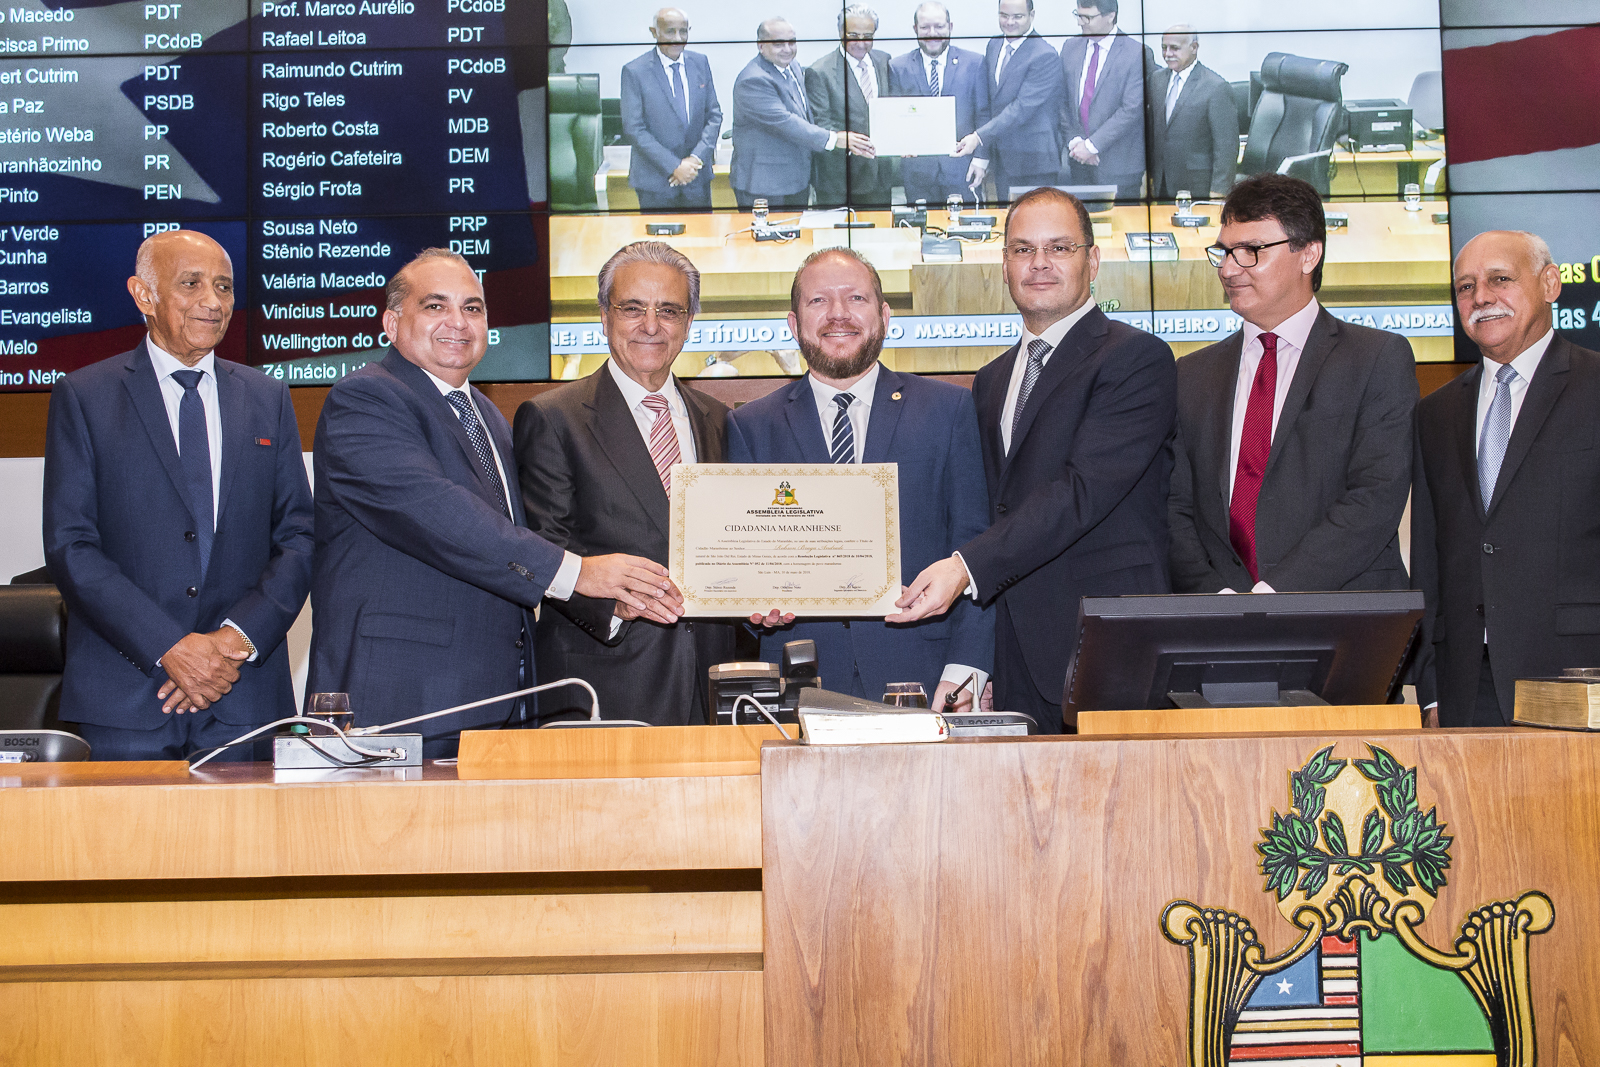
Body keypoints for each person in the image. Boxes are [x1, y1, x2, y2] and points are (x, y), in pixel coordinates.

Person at [308, 249, 679, 753]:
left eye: (473, 308)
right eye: (435, 306)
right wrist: (579, 573)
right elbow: (436, 513)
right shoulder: (366, 399)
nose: (458, 322)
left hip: (498, 698)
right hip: (403, 698)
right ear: (392, 323)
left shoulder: (485, 414)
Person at [893, 188, 1175, 731]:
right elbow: (989, 512)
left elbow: (1080, 493)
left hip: (1104, 650)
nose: (1039, 263)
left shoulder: (1136, 359)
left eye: (1059, 248)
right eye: (1023, 250)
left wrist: (963, 568)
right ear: (1004, 266)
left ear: (1092, 261)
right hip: (1015, 656)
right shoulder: (993, 379)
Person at [41, 230, 313, 760]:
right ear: (144, 295)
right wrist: (169, 647)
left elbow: (299, 537)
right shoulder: (85, 397)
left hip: (243, 697)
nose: (213, 302)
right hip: (125, 701)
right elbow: (71, 545)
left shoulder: (267, 398)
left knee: (248, 847)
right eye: (192, 284)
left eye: (225, 287)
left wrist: (232, 643)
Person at [727, 247, 993, 709]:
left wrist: (966, 671)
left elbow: (975, 549)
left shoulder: (947, 411)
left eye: (856, 299)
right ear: (793, 324)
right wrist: (752, 607)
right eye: (818, 302)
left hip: (926, 683)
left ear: (884, 316)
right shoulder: (751, 425)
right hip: (797, 686)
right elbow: (742, 564)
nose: (838, 315)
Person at [514, 243, 735, 725]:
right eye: (633, 308)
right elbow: (543, 550)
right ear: (604, 315)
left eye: (669, 310)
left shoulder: (718, 419)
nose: (651, 326)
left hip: (713, 685)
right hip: (606, 681)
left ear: (689, 321)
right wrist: (613, 602)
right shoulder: (554, 418)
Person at [1168, 174, 1417, 598]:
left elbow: (1374, 497)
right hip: (1219, 627)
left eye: (1250, 251)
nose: (1228, 269)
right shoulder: (1190, 375)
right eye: (1224, 252)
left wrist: (1272, 598)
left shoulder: (1376, 359)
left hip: (1344, 624)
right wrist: (1219, 600)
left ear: (1309, 254)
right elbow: (1174, 509)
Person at [1412, 229, 1600, 727]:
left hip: (1580, 679)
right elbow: (1429, 559)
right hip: (1465, 690)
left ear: (1551, 284)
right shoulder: (1435, 414)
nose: (1481, 298)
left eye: (1500, 279)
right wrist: (1430, 691)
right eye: (1465, 287)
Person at [730, 16, 875, 210]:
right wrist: (834, 138)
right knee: (766, 239)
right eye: (779, 44)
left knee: (795, 237)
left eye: (791, 42)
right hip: (764, 184)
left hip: (796, 180)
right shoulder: (753, 80)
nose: (788, 49)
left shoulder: (793, 68)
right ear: (761, 45)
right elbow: (786, 122)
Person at [954, 0, 1061, 202]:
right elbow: (988, 105)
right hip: (1003, 160)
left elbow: (1021, 109)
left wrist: (978, 137)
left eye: (1018, 17)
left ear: (1032, 15)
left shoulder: (1045, 55)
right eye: (1004, 15)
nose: (1010, 22)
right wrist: (982, 155)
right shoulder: (994, 45)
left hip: (1034, 162)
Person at [888, 1, 991, 207]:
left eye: (939, 26)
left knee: (966, 232)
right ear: (915, 29)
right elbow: (894, 116)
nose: (932, 33)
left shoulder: (975, 63)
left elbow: (984, 114)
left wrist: (981, 160)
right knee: (922, 232)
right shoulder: (897, 67)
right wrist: (899, 143)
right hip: (918, 172)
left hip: (963, 168)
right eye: (925, 27)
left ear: (950, 27)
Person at [620, 7, 724, 211]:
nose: (678, 38)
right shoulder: (635, 71)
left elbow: (714, 116)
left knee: (701, 240)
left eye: (683, 31)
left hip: (697, 177)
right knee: (658, 244)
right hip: (656, 182)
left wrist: (694, 159)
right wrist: (674, 166)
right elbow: (634, 129)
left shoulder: (700, 62)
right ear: (654, 32)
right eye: (670, 31)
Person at [1057, 0, 1153, 203]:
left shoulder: (1137, 53)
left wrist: (1092, 146)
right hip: (1078, 162)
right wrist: (1075, 142)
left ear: (1110, 15)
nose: (1081, 23)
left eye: (1088, 17)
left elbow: (1131, 109)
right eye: (1078, 15)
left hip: (1119, 164)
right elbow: (1062, 101)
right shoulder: (1070, 47)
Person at [807, 4, 896, 208]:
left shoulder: (884, 60)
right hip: (840, 180)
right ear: (840, 33)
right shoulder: (820, 71)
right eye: (853, 35)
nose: (860, 43)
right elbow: (821, 123)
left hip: (880, 176)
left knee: (880, 236)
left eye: (867, 36)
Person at [1145, 25, 1237, 201]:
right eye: (1164, 48)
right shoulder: (1157, 80)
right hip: (1162, 183)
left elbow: (1226, 148)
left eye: (1175, 48)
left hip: (1198, 187)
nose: (1168, 54)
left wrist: (1219, 192)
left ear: (1194, 48)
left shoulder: (1216, 87)